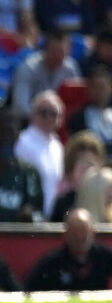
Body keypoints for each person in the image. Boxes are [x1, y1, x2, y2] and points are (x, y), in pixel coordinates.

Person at [23, 208, 112, 293]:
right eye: (75, 231)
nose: (79, 237)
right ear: (66, 234)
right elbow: (28, 290)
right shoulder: (53, 262)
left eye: (83, 231)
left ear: (92, 232)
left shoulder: (105, 256)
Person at [8, 28, 80, 120]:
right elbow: (20, 108)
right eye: (54, 51)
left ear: (68, 51)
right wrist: (45, 119)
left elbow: (76, 103)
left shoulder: (71, 68)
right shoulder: (28, 68)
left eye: (61, 52)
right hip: (29, 121)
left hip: (60, 121)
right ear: (45, 50)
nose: (57, 56)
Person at [15, 89, 65, 217]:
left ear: (61, 118)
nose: (48, 117)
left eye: (53, 113)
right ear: (32, 114)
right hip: (29, 216)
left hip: (51, 216)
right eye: (43, 112)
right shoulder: (22, 142)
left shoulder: (57, 146)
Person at [0, 107, 44, 222]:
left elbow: (40, 215)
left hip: (16, 238)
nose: (5, 136)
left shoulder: (29, 172)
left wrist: (31, 215)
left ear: (18, 135)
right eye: (1, 131)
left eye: (10, 131)